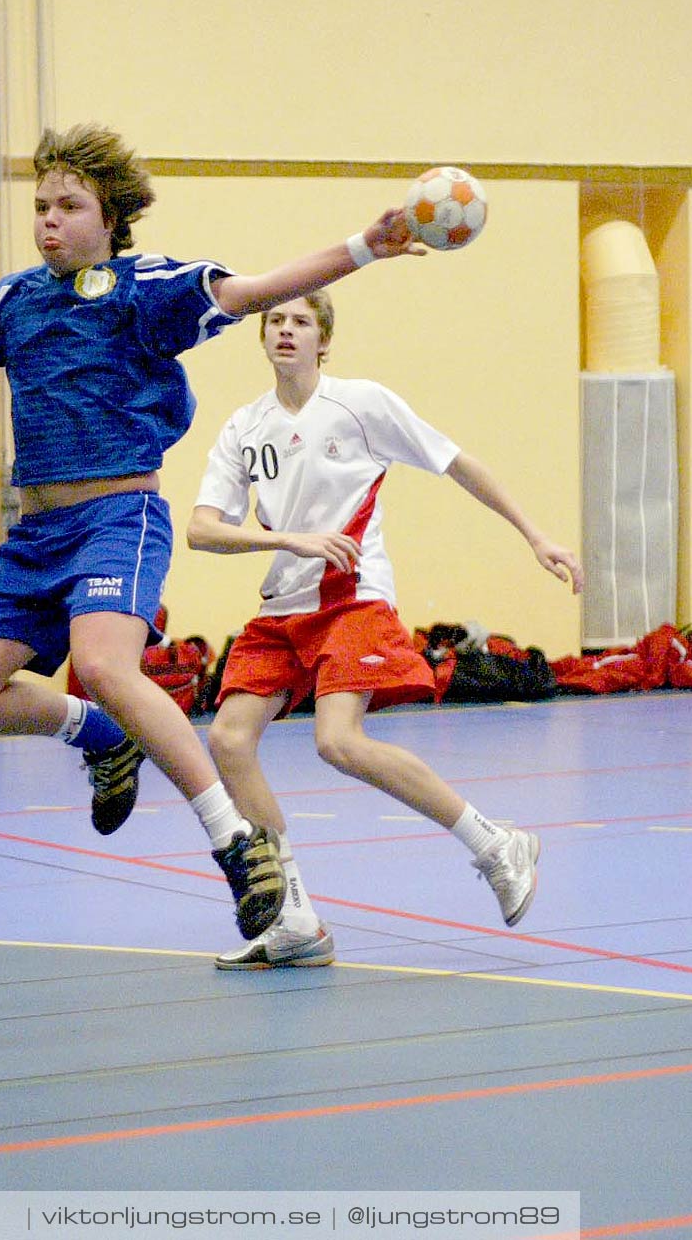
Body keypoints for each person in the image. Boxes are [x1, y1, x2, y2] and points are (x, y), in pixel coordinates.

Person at [0, 122, 424, 945]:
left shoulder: (147, 289)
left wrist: (365, 247)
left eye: (69, 206)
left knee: (104, 663)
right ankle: (99, 734)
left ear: (111, 220)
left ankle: (238, 845)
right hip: (36, 537)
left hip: (119, 518)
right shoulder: (17, 302)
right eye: (40, 206)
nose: (49, 221)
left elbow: (252, 290)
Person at [188, 291, 583, 971]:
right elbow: (202, 529)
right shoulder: (244, 428)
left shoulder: (361, 404)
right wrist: (289, 540)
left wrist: (534, 535)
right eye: (275, 321)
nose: (286, 330)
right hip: (283, 605)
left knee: (338, 741)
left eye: (301, 322)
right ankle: (293, 919)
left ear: (323, 340)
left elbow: (459, 463)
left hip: (352, 598)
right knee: (227, 738)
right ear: (262, 337)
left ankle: (495, 844)